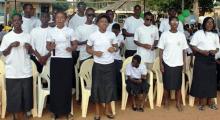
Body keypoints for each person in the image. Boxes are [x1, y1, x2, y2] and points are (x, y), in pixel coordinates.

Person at [0, 13, 36, 120]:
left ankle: (26, 113)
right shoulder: (7, 37)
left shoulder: (28, 36)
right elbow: (3, 53)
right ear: (12, 22)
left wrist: (29, 48)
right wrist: (10, 46)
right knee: (13, 94)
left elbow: (31, 52)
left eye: (19, 20)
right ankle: (15, 114)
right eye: (14, 20)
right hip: (12, 70)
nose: (17, 22)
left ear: (22, 22)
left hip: (25, 69)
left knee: (26, 93)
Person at [86, 14, 118, 120]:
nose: (104, 23)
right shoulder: (93, 35)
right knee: (97, 88)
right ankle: (97, 112)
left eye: (106, 21)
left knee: (109, 88)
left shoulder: (112, 35)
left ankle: (107, 110)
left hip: (110, 65)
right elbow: (88, 48)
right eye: (101, 21)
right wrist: (95, 52)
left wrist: (114, 49)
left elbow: (116, 47)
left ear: (108, 23)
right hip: (98, 66)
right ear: (97, 23)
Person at [46, 11, 77, 119]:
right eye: (57, 18)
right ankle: (55, 112)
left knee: (66, 86)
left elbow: (75, 45)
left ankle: (67, 111)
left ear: (65, 19)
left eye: (62, 18)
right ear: (55, 19)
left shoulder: (70, 31)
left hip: (67, 60)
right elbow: (47, 47)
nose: (59, 19)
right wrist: (51, 47)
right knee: (55, 86)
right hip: (55, 60)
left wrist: (71, 48)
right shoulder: (51, 31)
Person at [158, 16, 188, 111]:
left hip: (178, 63)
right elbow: (160, 50)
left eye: (176, 21)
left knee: (178, 85)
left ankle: (178, 103)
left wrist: (184, 64)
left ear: (178, 24)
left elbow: (184, 51)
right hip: (167, 63)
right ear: (169, 23)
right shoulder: (164, 35)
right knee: (166, 85)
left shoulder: (181, 35)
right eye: (172, 21)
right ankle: (166, 102)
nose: (174, 23)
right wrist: (161, 64)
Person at [190, 17, 219, 111]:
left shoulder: (215, 35)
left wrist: (215, 51)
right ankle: (202, 103)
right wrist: (201, 51)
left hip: (211, 59)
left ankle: (210, 102)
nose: (210, 24)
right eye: (208, 22)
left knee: (211, 81)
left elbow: (218, 47)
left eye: (211, 22)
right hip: (201, 58)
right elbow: (192, 45)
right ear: (204, 24)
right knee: (201, 80)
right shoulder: (198, 33)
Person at [112, 23, 124, 98]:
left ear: (119, 31)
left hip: (118, 59)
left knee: (119, 76)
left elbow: (120, 48)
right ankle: (113, 93)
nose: (115, 33)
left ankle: (119, 94)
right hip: (111, 59)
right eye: (114, 31)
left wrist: (121, 47)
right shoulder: (109, 36)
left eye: (117, 32)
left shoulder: (121, 36)